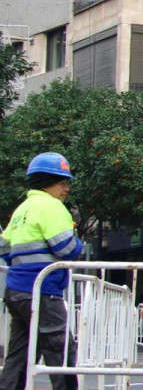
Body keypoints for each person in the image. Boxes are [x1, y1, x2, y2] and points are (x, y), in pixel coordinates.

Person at [0, 152, 83, 390]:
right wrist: (77, 241)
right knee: (60, 350)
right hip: (43, 291)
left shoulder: (22, 209)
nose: (66, 189)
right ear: (47, 182)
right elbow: (66, 249)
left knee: (20, 354)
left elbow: (4, 248)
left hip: (16, 291)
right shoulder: (52, 207)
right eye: (62, 182)